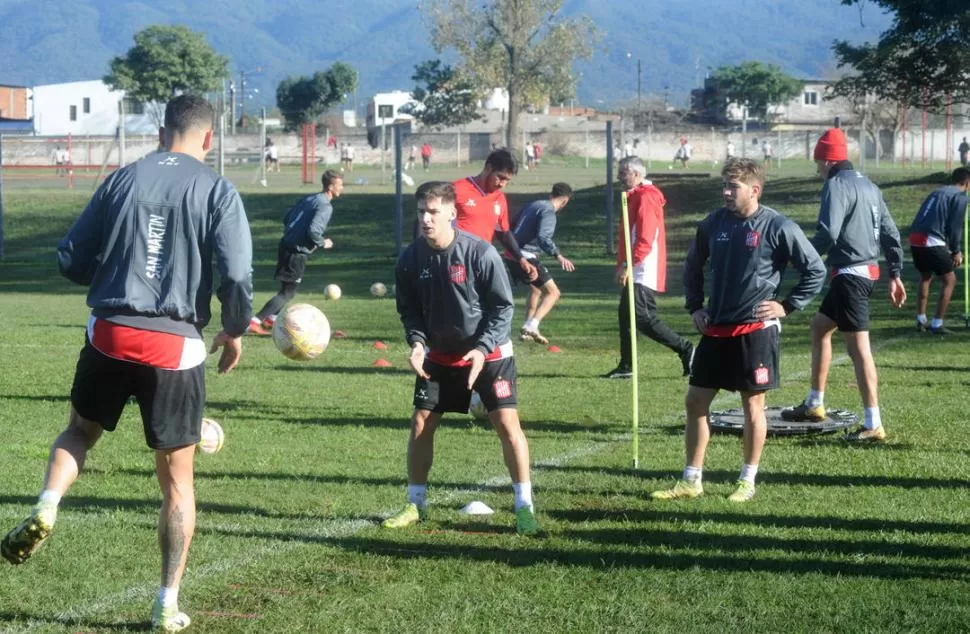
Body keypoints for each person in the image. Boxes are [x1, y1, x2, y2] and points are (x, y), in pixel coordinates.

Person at [0, 95, 253, 632]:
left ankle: (48, 505)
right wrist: (233, 329)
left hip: (110, 333)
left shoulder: (121, 179)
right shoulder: (216, 189)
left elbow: (70, 256)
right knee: (177, 482)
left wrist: (108, 275)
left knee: (79, 432)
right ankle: (166, 603)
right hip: (175, 345)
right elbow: (235, 274)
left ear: (163, 132)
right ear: (208, 139)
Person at [650, 158, 825, 503]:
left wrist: (786, 306)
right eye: (725, 186)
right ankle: (691, 480)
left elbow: (815, 270)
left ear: (754, 190)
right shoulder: (713, 223)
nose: (726, 192)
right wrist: (695, 306)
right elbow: (692, 266)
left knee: (753, 407)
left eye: (734, 187)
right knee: (696, 401)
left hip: (755, 331)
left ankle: (747, 480)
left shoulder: (778, 226)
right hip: (715, 329)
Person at [384, 180, 538, 535]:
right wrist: (418, 343)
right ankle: (415, 504)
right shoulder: (410, 259)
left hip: (491, 352)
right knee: (421, 422)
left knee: (506, 425)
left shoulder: (480, 253)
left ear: (452, 213)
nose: (426, 219)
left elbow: (502, 308)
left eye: (434, 212)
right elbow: (409, 311)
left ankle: (524, 507)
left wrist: (482, 349)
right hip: (440, 355)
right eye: (421, 211)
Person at [781, 128, 907, 442]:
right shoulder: (869, 185)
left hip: (851, 276)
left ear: (825, 159)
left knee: (859, 350)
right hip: (863, 273)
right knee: (821, 326)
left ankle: (873, 423)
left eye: (817, 163)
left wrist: (801, 258)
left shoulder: (836, 185)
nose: (817, 169)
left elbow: (828, 233)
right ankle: (814, 403)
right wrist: (895, 272)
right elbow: (891, 233)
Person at [603, 156, 695, 379]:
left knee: (642, 317)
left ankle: (687, 349)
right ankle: (627, 366)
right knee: (626, 316)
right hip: (636, 265)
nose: (619, 176)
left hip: (644, 267)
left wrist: (628, 265)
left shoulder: (646, 197)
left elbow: (646, 237)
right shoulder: (635, 196)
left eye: (623, 172)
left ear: (636, 174)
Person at [248, 169, 343, 334]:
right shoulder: (325, 206)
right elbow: (314, 231)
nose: (342, 188)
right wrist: (322, 242)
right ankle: (255, 322)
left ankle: (271, 320)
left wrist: (294, 233)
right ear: (330, 186)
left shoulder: (310, 199)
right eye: (340, 185)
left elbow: (287, 217)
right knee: (287, 293)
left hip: (285, 246)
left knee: (286, 290)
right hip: (296, 253)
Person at [453, 148, 538, 284]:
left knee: (483, 302)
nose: (502, 184)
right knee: (457, 300)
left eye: (507, 180)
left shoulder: (499, 198)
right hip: (456, 262)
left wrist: (521, 259)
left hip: (481, 262)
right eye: (501, 177)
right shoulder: (457, 189)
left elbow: (502, 232)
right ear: (488, 168)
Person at [508, 182, 575, 345]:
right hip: (526, 256)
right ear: (565, 201)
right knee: (553, 293)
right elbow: (543, 238)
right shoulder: (549, 211)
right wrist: (558, 255)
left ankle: (527, 330)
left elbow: (511, 224)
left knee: (536, 290)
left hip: (512, 254)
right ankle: (532, 325)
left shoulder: (534, 204)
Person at [909, 167, 970, 334]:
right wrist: (956, 251)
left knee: (926, 276)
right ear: (966, 182)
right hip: (931, 239)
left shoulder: (938, 192)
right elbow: (955, 226)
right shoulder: (960, 196)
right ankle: (937, 324)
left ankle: (921, 320)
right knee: (949, 280)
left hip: (915, 238)